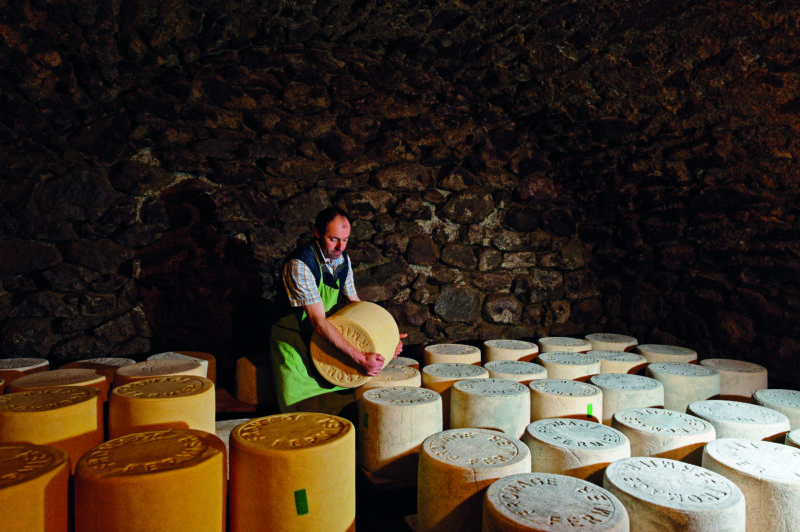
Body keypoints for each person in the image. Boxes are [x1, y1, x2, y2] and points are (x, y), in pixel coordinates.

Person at [269, 207, 404, 416]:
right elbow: (318, 321)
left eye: (346, 240)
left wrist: (388, 338)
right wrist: (359, 358)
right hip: (294, 340)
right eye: (333, 239)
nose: (340, 247)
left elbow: (357, 304)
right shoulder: (301, 264)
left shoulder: (343, 261)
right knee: (302, 411)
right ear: (317, 233)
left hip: (322, 337)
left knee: (340, 406)